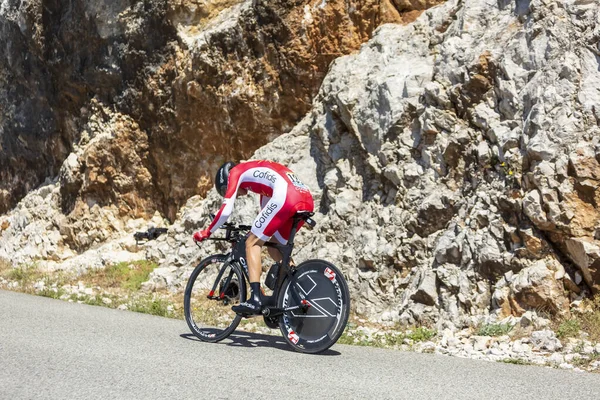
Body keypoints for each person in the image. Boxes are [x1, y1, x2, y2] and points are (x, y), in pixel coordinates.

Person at [193, 160, 314, 316]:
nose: (233, 194)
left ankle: (255, 299)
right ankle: (294, 295)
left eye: (225, 190)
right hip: (305, 199)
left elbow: (225, 211)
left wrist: (207, 232)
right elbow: (268, 216)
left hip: (286, 196)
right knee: (274, 249)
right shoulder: (261, 181)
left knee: (251, 243)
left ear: (226, 179)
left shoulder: (235, 173)